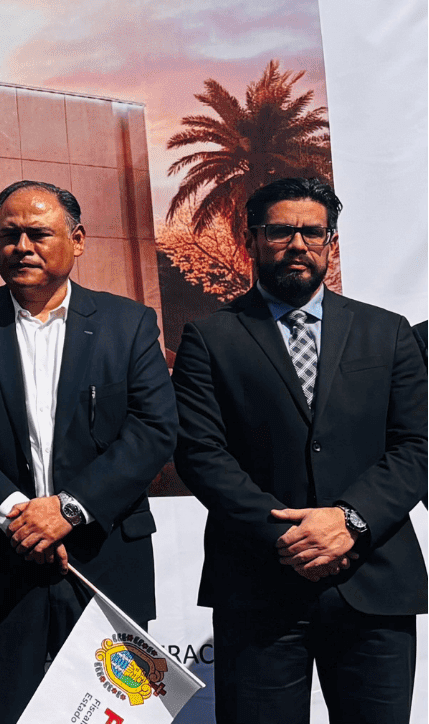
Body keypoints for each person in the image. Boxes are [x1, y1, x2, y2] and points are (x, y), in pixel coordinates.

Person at [0, 180, 178, 724]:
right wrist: (18, 515)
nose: (22, 247)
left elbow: (153, 429)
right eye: (8, 235)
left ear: (77, 240)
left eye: (39, 233)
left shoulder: (128, 324)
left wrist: (68, 510)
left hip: (104, 563)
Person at [171, 177, 426, 724]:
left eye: (313, 232)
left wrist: (350, 520)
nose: (298, 244)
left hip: (374, 579)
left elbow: (416, 446)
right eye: (281, 231)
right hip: (259, 585)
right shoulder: (210, 338)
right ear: (251, 239)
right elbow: (200, 453)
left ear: (331, 242)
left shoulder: (388, 332)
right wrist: (288, 536)